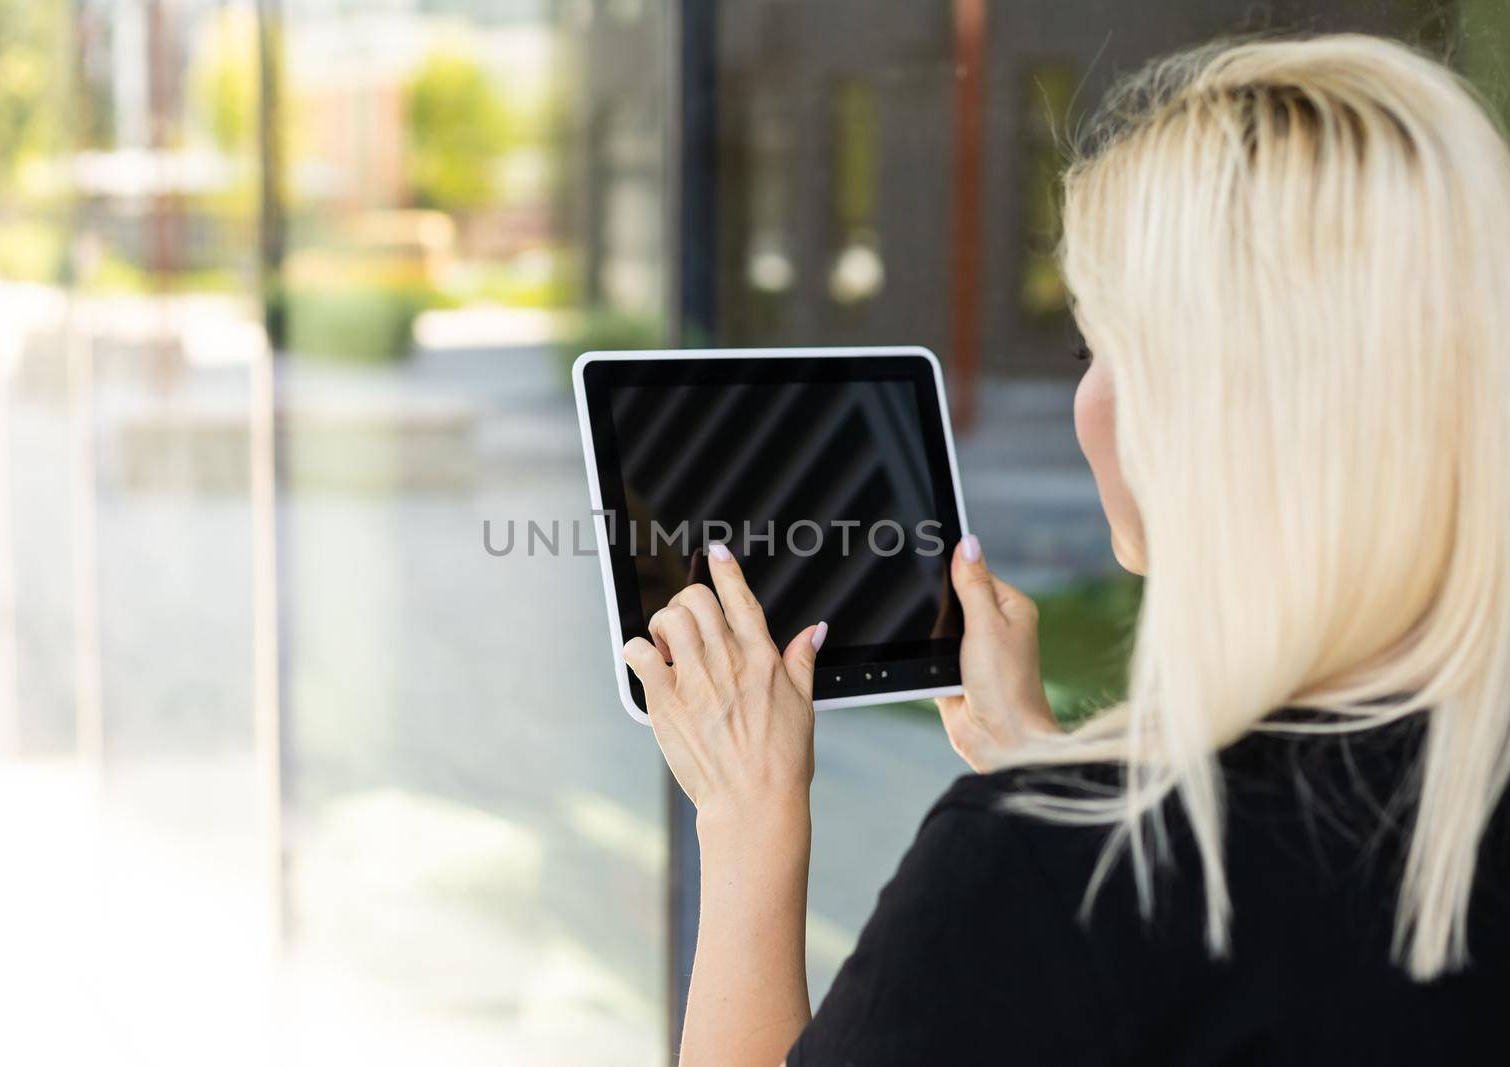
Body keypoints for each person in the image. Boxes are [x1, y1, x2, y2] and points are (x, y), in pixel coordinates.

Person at [619, 33, 1510, 1066]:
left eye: (1103, 346)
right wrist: (1039, 760)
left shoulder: (1042, 879)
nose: (1089, 394)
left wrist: (745, 820)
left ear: (1201, 407)